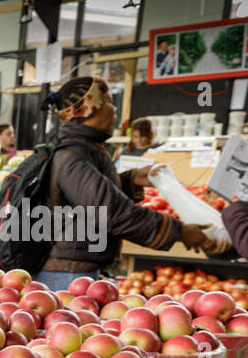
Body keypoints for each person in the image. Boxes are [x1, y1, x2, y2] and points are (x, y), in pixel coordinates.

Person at [32, 76, 211, 291]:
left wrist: (130, 179)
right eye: (107, 101)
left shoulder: (85, 149)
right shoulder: (74, 156)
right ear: (90, 110)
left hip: (75, 266)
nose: (114, 109)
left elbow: (86, 199)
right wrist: (178, 231)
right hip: (67, 272)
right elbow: (111, 212)